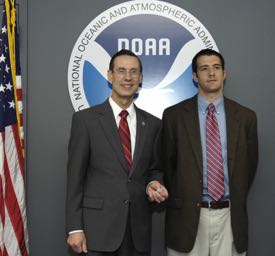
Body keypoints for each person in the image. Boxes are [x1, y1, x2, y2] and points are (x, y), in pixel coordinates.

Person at [66, 49, 168, 256]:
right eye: (121, 71)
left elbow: (154, 169)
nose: (128, 77)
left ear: (140, 78)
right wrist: (75, 228)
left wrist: (153, 183)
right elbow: (75, 179)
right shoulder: (85, 121)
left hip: (137, 233)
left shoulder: (153, 124)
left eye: (133, 72)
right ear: (110, 75)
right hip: (97, 231)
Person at [162, 49, 258, 256]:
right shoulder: (174, 116)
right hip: (187, 218)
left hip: (229, 217)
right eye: (204, 69)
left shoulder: (246, 117)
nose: (211, 73)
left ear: (225, 73)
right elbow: (167, 166)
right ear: (195, 77)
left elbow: (249, 167)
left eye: (216, 68)